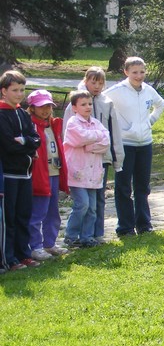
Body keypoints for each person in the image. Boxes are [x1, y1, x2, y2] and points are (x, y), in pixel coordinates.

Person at [104, 57, 164, 237]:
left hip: (145, 143)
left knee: (142, 186)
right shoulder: (117, 91)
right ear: (126, 72)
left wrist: (149, 121)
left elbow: (160, 104)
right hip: (125, 144)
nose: (139, 76)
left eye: (142, 72)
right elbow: (99, 102)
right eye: (134, 72)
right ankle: (125, 227)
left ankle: (144, 224)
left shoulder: (148, 90)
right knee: (123, 186)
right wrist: (116, 129)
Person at [63, 67, 124, 242]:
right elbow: (73, 136)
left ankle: (93, 235)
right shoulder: (75, 104)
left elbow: (109, 136)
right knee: (83, 203)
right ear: (86, 81)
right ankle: (73, 235)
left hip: (99, 161)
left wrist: (114, 155)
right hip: (78, 164)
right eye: (93, 82)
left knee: (97, 201)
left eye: (101, 83)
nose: (97, 86)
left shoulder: (106, 103)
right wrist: (93, 140)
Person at [0, 70, 42, 270]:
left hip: (26, 173)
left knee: (23, 215)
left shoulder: (23, 113)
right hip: (8, 174)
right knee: (9, 217)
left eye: (22, 90)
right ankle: (9, 258)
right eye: (15, 90)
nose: (19, 94)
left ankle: (23, 254)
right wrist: (28, 146)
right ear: (4, 91)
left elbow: (36, 139)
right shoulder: (1, 114)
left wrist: (25, 141)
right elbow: (8, 145)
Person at [62, 91, 110, 248]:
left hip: (93, 173)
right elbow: (79, 138)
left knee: (92, 208)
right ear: (74, 107)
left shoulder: (96, 123)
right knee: (82, 204)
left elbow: (106, 142)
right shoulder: (72, 123)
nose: (88, 107)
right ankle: (70, 235)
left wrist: (89, 145)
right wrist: (96, 137)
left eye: (89, 104)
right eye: (83, 104)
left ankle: (86, 237)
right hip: (77, 172)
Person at [27, 89, 69, 260]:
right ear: (32, 108)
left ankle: (50, 243)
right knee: (38, 211)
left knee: (53, 211)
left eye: (48, 106)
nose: (45, 110)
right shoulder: (30, 125)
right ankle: (35, 246)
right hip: (39, 174)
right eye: (41, 106)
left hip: (54, 172)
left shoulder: (53, 124)